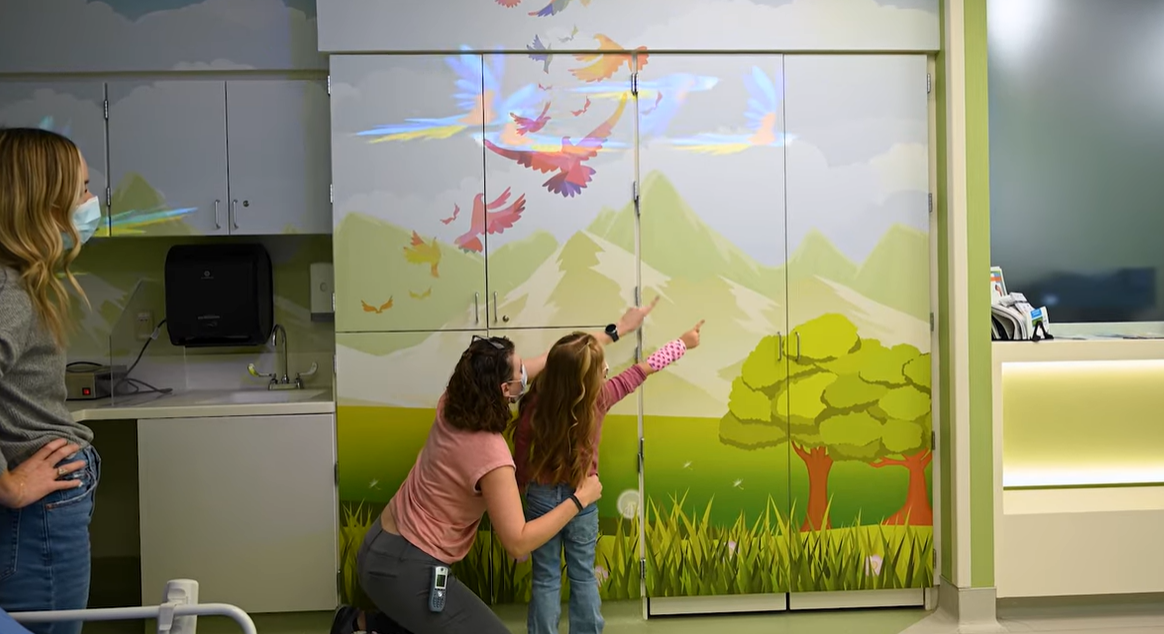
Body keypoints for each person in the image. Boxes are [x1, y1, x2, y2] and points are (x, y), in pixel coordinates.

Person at [331, 300, 658, 634]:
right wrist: (580, 499)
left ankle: (359, 623)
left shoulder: (453, 400)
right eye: (520, 373)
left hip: (382, 545)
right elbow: (517, 542)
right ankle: (367, 624)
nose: (527, 374)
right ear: (506, 390)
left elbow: (553, 360)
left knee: (436, 617)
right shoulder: (492, 455)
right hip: (406, 567)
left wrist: (614, 332)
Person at [513, 320, 704, 634]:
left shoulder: (534, 403)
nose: (606, 371)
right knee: (583, 575)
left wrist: (521, 487)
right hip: (582, 497)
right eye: (601, 367)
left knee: (545, 578)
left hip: (541, 498)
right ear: (589, 378)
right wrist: (683, 343)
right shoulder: (599, 397)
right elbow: (644, 369)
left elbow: (521, 450)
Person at [0, 128, 105, 634]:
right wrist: (8, 484)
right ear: (43, 203)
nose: (91, 202)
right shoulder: (9, 291)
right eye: (81, 190)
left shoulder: (19, 282)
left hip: (43, 505)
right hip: (38, 509)